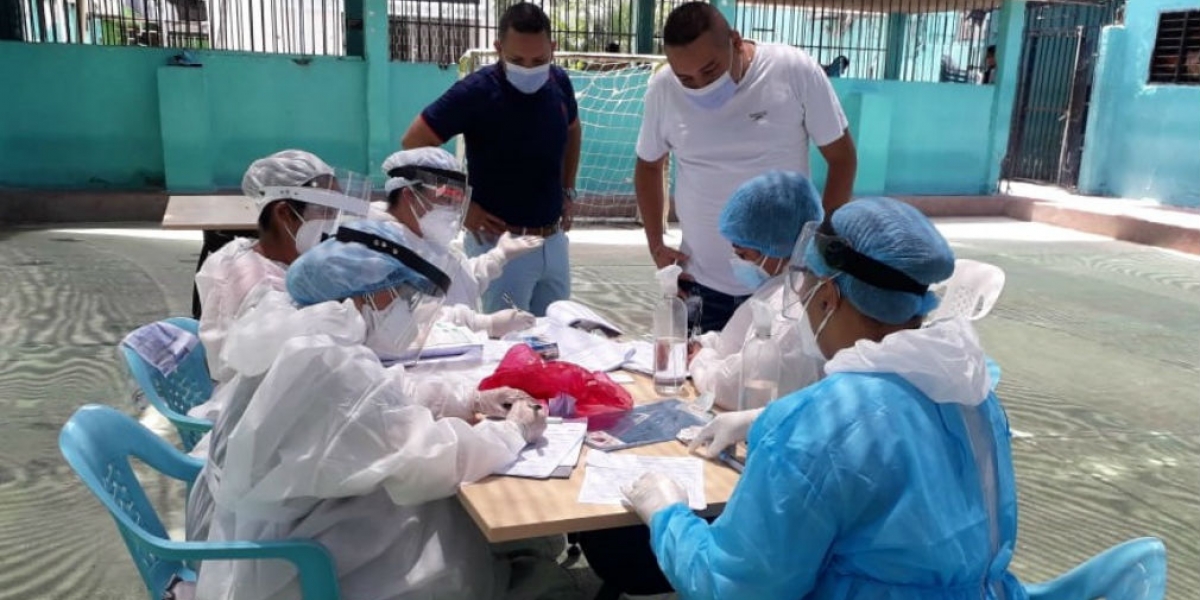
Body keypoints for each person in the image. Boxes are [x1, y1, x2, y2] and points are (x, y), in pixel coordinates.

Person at [622, 197, 1023, 599]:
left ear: (828, 296)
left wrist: (666, 513)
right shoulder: (974, 392)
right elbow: (892, 429)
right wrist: (764, 419)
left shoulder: (817, 427)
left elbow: (735, 588)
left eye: (806, 290)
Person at [190, 220, 564, 600]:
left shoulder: (297, 334)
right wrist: (512, 432)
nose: (406, 306)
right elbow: (433, 458)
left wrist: (471, 400)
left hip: (272, 532)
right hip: (308, 561)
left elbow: (385, 397)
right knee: (452, 522)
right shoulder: (328, 366)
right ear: (360, 298)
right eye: (398, 294)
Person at [634, 1, 857, 333]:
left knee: (775, 380)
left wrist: (819, 248)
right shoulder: (664, 88)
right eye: (686, 79)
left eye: (710, 71)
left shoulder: (793, 70)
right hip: (700, 284)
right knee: (698, 376)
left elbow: (842, 158)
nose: (700, 86)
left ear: (735, 42)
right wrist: (655, 243)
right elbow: (648, 165)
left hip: (784, 285)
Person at [401, 2, 582, 317]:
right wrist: (460, 205)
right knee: (505, 349)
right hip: (498, 247)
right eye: (516, 60)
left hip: (553, 243)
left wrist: (568, 190)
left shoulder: (558, 82)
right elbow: (413, 142)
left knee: (556, 341)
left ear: (553, 48)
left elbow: (573, 131)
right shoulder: (476, 92)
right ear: (498, 49)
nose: (528, 68)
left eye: (539, 59)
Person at [194, 150, 370, 386]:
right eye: (327, 212)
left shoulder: (251, 254)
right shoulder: (260, 287)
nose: (335, 224)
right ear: (284, 213)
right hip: (259, 408)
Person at [688, 171, 825, 409]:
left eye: (743, 255)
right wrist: (707, 345)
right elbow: (737, 341)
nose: (736, 262)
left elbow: (735, 389)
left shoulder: (788, 307)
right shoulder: (784, 287)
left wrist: (700, 360)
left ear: (775, 248)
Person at [378, 147, 541, 338]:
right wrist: (485, 323)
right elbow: (405, 319)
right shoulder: (380, 249)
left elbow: (457, 280)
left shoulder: (427, 240)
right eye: (445, 199)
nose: (453, 210)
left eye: (457, 202)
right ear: (409, 195)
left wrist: (498, 256)